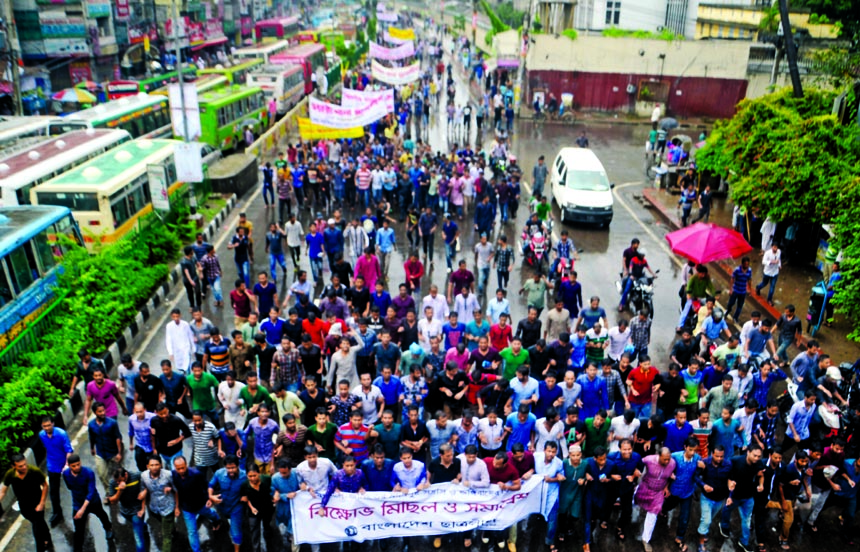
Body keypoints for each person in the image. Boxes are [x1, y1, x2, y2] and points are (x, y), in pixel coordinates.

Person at [0, 454, 53, 552]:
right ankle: (47, 537)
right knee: (39, 523)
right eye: (20, 466)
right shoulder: (10, 475)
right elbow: (3, 491)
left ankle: (40, 548)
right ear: (13, 466)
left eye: (25, 464)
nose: (24, 467)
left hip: (37, 504)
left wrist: (41, 503)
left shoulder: (34, 471)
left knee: (37, 529)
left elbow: (45, 486)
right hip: (24, 507)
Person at [63, 454, 114, 552]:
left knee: (101, 514)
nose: (77, 467)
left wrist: (82, 509)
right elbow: (69, 487)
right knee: (79, 529)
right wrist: (80, 508)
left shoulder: (88, 473)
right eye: (74, 466)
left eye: (78, 464)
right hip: (78, 502)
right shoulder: (66, 474)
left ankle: (108, 528)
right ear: (69, 466)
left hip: (92, 501)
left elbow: (91, 492)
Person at [172, 456, 220, 552]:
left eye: (183, 467)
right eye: (178, 468)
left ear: (186, 465)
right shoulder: (173, 475)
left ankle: (217, 520)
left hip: (200, 504)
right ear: (174, 467)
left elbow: (206, 486)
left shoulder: (196, 474)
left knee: (210, 514)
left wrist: (209, 498)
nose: (181, 470)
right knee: (192, 531)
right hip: (187, 508)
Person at [636, 447, 676, 552]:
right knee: (634, 502)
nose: (667, 461)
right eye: (664, 459)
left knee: (653, 514)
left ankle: (645, 539)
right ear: (659, 456)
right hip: (645, 487)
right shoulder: (649, 460)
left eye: (668, 459)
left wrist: (667, 487)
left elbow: (670, 478)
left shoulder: (672, 464)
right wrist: (635, 473)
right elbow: (637, 463)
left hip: (658, 491)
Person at [209, 455, 248, 552]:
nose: (230, 470)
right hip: (222, 504)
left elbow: (253, 486)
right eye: (228, 468)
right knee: (208, 510)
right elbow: (211, 485)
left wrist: (247, 495)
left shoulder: (245, 476)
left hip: (236, 507)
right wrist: (211, 496)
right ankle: (217, 521)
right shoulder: (219, 473)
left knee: (235, 532)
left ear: (238, 466)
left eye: (233, 467)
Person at [165, 308, 195, 375]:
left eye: (177, 316)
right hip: (177, 350)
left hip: (186, 349)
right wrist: (170, 352)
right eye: (174, 317)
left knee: (187, 366)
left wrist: (193, 348)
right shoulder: (169, 326)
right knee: (179, 367)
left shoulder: (185, 324)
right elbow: (168, 339)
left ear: (180, 315)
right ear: (171, 316)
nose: (176, 318)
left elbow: (190, 336)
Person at [726, 257, 753, 321]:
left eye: (747, 264)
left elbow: (749, 280)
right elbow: (732, 279)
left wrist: (750, 290)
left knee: (740, 305)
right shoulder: (737, 270)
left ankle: (735, 317)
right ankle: (728, 310)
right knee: (731, 303)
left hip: (743, 291)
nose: (746, 265)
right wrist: (731, 289)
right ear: (742, 264)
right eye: (745, 264)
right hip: (735, 290)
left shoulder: (749, 270)